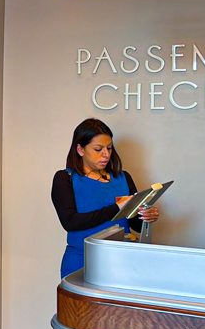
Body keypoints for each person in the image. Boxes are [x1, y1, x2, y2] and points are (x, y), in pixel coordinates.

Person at [51, 118, 160, 278]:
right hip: (82, 262)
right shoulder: (65, 178)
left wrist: (146, 217)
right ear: (80, 150)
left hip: (124, 262)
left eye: (109, 148)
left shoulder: (124, 177)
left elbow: (135, 225)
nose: (106, 154)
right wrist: (117, 208)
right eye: (98, 149)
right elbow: (71, 222)